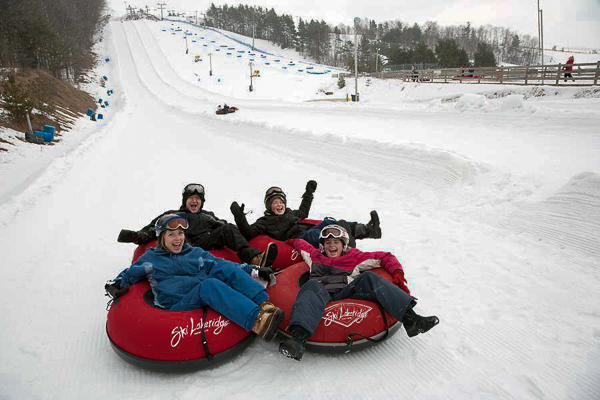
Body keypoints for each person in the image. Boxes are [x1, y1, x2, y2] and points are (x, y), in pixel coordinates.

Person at [106, 214, 284, 341]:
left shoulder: (195, 253)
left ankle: (264, 304)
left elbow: (226, 265)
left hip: (200, 294)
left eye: (180, 233)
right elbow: (129, 273)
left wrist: (254, 270)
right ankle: (257, 322)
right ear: (161, 238)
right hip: (177, 305)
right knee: (210, 284)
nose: (178, 239)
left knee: (223, 268)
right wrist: (116, 285)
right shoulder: (150, 259)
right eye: (171, 234)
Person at [278, 224, 439, 361]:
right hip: (319, 294)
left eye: (336, 242)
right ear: (322, 245)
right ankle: (298, 340)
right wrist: (288, 241)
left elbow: (385, 257)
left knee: (369, 277)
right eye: (328, 242)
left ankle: (412, 320)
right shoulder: (314, 256)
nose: (331, 246)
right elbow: (300, 244)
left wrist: (397, 274)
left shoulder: (355, 257)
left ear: (344, 244)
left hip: (344, 293)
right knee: (312, 284)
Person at [117, 183, 277, 269]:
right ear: (184, 200)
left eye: (198, 198)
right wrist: (139, 236)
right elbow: (155, 228)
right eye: (191, 198)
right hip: (184, 247)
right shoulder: (173, 214)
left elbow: (226, 228)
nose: (194, 201)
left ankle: (255, 258)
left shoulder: (208, 215)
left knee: (227, 228)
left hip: (206, 243)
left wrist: (240, 223)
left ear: (202, 201)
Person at [230, 181, 381, 249]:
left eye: (281, 202)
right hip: (296, 241)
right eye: (275, 203)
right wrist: (239, 216)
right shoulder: (264, 221)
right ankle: (347, 248)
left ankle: (369, 230)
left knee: (334, 223)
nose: (279, 205)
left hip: (306, 231)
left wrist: (308, 193)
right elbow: (248, 233)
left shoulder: (291, 213)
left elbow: (303, 211)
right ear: (269, 206)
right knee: (318, 233)